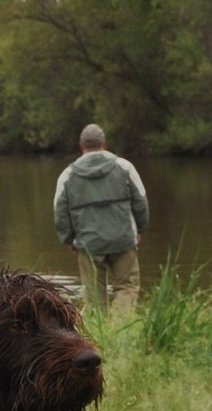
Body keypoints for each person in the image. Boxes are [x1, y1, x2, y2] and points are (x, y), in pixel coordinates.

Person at [53, 123, 149, 311]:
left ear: (82, 146)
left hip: (88, 244)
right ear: (104, 143)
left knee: (94, 295)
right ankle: (121, 328)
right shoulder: (125, 167)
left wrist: (69, 239)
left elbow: (60, 212)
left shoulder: (67, 175)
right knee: (127, 287)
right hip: (123, 240)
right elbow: (141, 201)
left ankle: (99, 332)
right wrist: (139, 229)